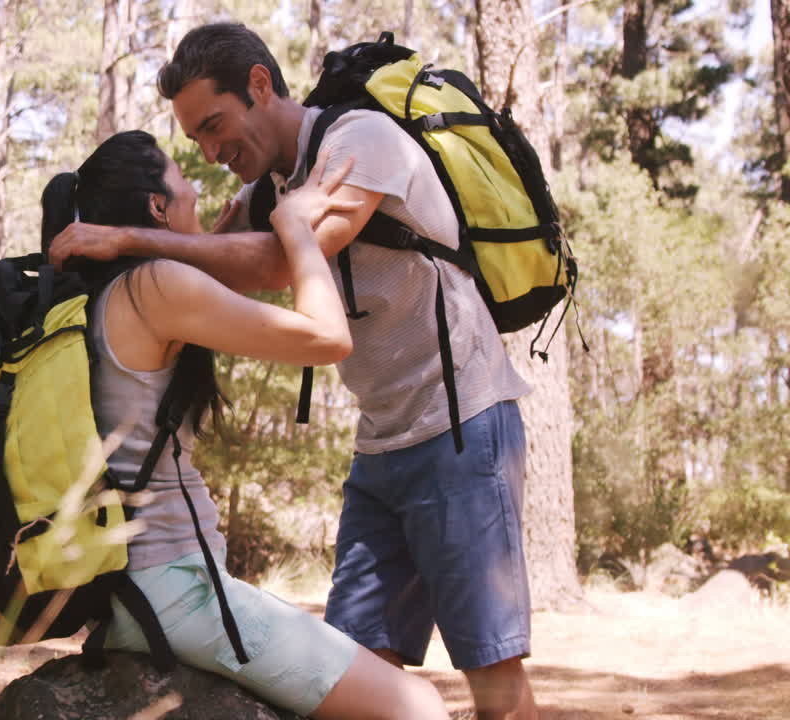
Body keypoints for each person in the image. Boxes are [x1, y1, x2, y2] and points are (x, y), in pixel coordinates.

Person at [48, 23, 537, 720]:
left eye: (215, 126)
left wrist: (129, 237)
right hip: (382, 445)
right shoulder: (268, 188)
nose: (213, 154)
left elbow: (285, 261)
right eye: (197, 145)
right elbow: (201, 277)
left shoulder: (358, 141)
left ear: (258, 84)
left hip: (461, 427)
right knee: (365, 659)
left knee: (491, 668)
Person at [42, 130, 448, 720]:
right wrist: (297, 230)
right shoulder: (156, 286)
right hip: (176, 591)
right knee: (421, 706)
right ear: (157, 208)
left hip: (128, 590)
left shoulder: (97, 297)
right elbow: (329, 339)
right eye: (185, 193)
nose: (200, 203)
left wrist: (208, 239)